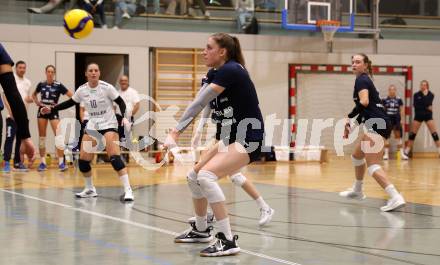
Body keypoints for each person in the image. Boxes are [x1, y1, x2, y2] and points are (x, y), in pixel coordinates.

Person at [164, 33, 265, 257]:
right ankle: (201, 230)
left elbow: (199, 102)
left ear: (222, 52)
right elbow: (204, 103)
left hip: (248, 137)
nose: (203, 51)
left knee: (206, 176)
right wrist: (197, 131)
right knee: (193, 176)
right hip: (228, 137)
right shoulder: (215, 73)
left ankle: (228, 240)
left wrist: (175, 132)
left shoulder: (232, 70)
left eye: (208, 47)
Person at [188, 71, 274, 227]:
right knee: (210, 174)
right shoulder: (211, 85)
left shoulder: (231, 85)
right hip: (222, 135)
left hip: (235, 137)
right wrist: (199, 131)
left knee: (209, 174)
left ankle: (264, 208)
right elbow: (206, 106)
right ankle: (263, 207)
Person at [41, 63, 134, 201]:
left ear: (99, 73)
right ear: (86, 74)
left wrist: (125, 118)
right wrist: (52, 109)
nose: (93, 73)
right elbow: (70, 103)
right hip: (93, 125)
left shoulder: (107, 88)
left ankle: (128, 190)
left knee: (114, 158)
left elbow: (121, 102)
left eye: (96, 70)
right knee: (83, 162)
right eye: (90, 71)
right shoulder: (82, 90)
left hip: (109, 124)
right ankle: (90, 189)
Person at [339, 53, 405, 212]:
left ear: (366, 65)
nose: (354, 64)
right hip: (377, 124)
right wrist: (351, 125)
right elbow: (366, 109)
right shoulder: (364, 80)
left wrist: (348, 117)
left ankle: (395, 196)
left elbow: (364, 102)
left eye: (358, 62)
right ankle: (358, 189)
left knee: (373, 165)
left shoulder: (362, 79)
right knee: (356, 156)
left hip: (377, 125)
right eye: (353, 62)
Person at [0, 44, 35, 172]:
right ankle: (7, 162)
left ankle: (16, 162)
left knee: (17, 140)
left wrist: (25, 136)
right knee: (9, 140)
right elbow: (10, 94)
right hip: (11, 115)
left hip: (19, 115)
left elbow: (13, 95)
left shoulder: (27, 82)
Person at [33, 65, 74, 172]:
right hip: (42, 111)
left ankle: (61, 163)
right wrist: (37, 102)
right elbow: (33, 95)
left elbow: (71, 96)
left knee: (59, 136)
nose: (50, 73)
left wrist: (64, 106)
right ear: (45, 72)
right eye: (48, 71)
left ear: (54, 73)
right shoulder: (41, 84)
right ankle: (42, 162)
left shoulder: (58, 85)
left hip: (53, 111)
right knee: (42, 137)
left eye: (52, 72)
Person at [402, 80, 440, 159]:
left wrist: (425, 98)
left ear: (427, 86)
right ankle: (406, 152)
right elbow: (416, 105)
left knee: (434, 134)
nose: (423, 86)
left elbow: (428, 102)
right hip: (418, 116)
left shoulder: (431, 94)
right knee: (412, 134)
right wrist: (427, 106)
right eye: (422, 85)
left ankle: (439, 150)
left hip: (428, 116)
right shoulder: (416, 94)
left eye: (425, 85)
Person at [381, 84, 404, 160]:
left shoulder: (399, 99)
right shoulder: (384, 99)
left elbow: (401, 110)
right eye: (390, 89)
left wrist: (402, 120)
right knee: (386, 137)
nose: (392, 91)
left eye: (393, 89)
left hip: (396, 119)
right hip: (388, 119)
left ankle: (401, 154)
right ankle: (386, 154)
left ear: (395, 91)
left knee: (398, 137)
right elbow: (382, 110)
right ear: (388, 91)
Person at [115, 75, 140, 144]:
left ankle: (127, 153)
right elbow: (114, 107)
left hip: (128, 117)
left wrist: (130, 115)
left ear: (128, 82)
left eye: (125, 81)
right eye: (122, 81)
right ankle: (120, 152)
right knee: (119, 135)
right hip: (118, 117)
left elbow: (137, 105)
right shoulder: (116, 93)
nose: (123, 82)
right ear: (119, 82)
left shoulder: (133, 92)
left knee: (127, 135)